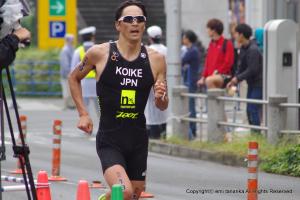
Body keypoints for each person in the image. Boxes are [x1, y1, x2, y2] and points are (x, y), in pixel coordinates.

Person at [68, 1, 168, 200]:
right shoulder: (100, 53)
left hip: (138, 138)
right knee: (124, 191)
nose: (134, 24)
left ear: (144, 25)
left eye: (140, 19)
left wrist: (161, 96)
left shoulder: (156, 59)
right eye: (128, 19)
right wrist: (83, 114)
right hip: (110, 139)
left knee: (133, 195)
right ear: (118, 25)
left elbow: (162, 104)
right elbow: (73, 78)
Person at [227, 23, 262, 130]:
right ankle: (254, 134)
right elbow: (241, 67)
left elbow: (253, 69)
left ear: (241, 35)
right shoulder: (244, 48)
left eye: (236, 34)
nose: (235, 36)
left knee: (252, 108)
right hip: (251, 83)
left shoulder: (253, 50)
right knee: (249, 109)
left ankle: (256, 135)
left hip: (259, 84)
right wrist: (234, 80)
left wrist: (237, 78)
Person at [144, 25, 168, 139]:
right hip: (163, 81)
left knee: (151, 108)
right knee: (163, 107)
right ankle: (163, 132)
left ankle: (153, 133)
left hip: (150, 82)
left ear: (150, 37)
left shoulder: (148, 50)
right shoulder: (165, 49)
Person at [70, 26, 99, 117]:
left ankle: (86, 128)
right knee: (100, 109)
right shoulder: (99, 49)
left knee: (84, 109)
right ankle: (102, 129)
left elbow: (73, 70)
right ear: (92, 37)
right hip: (97, 83)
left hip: (83, 84)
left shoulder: (78, 51)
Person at [197, 18, 234, 89]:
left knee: (209, 81)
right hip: (211, 77)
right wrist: (203, 77)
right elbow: (207, 62)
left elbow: (228, 62)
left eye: (208, 28)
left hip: (224, 76)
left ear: (213, 30)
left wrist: (218, 72)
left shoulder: (227, 43)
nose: (207, 31)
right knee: (208, 81)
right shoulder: (211, 44)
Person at [181, 30, 200, 140]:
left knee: (190, 107)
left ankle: (192, 131)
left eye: (184, 38)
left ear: (188, 39)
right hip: (190, 80)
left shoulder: (192, 51)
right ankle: (192, 130)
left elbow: (182, 61)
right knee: (190, 106)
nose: (183, 40)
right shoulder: (191, 50)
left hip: (190, 81)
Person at [59, 33, 74, 109]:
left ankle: (69, 105)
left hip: (69, 73)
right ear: (68, 40)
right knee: (66, 89)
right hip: (66, 74)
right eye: (71, 40)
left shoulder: (70, 48)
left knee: (69, 89)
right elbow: (65, 63)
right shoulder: (66, 50)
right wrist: (69, 72)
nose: (72, 41)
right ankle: (65, 105)